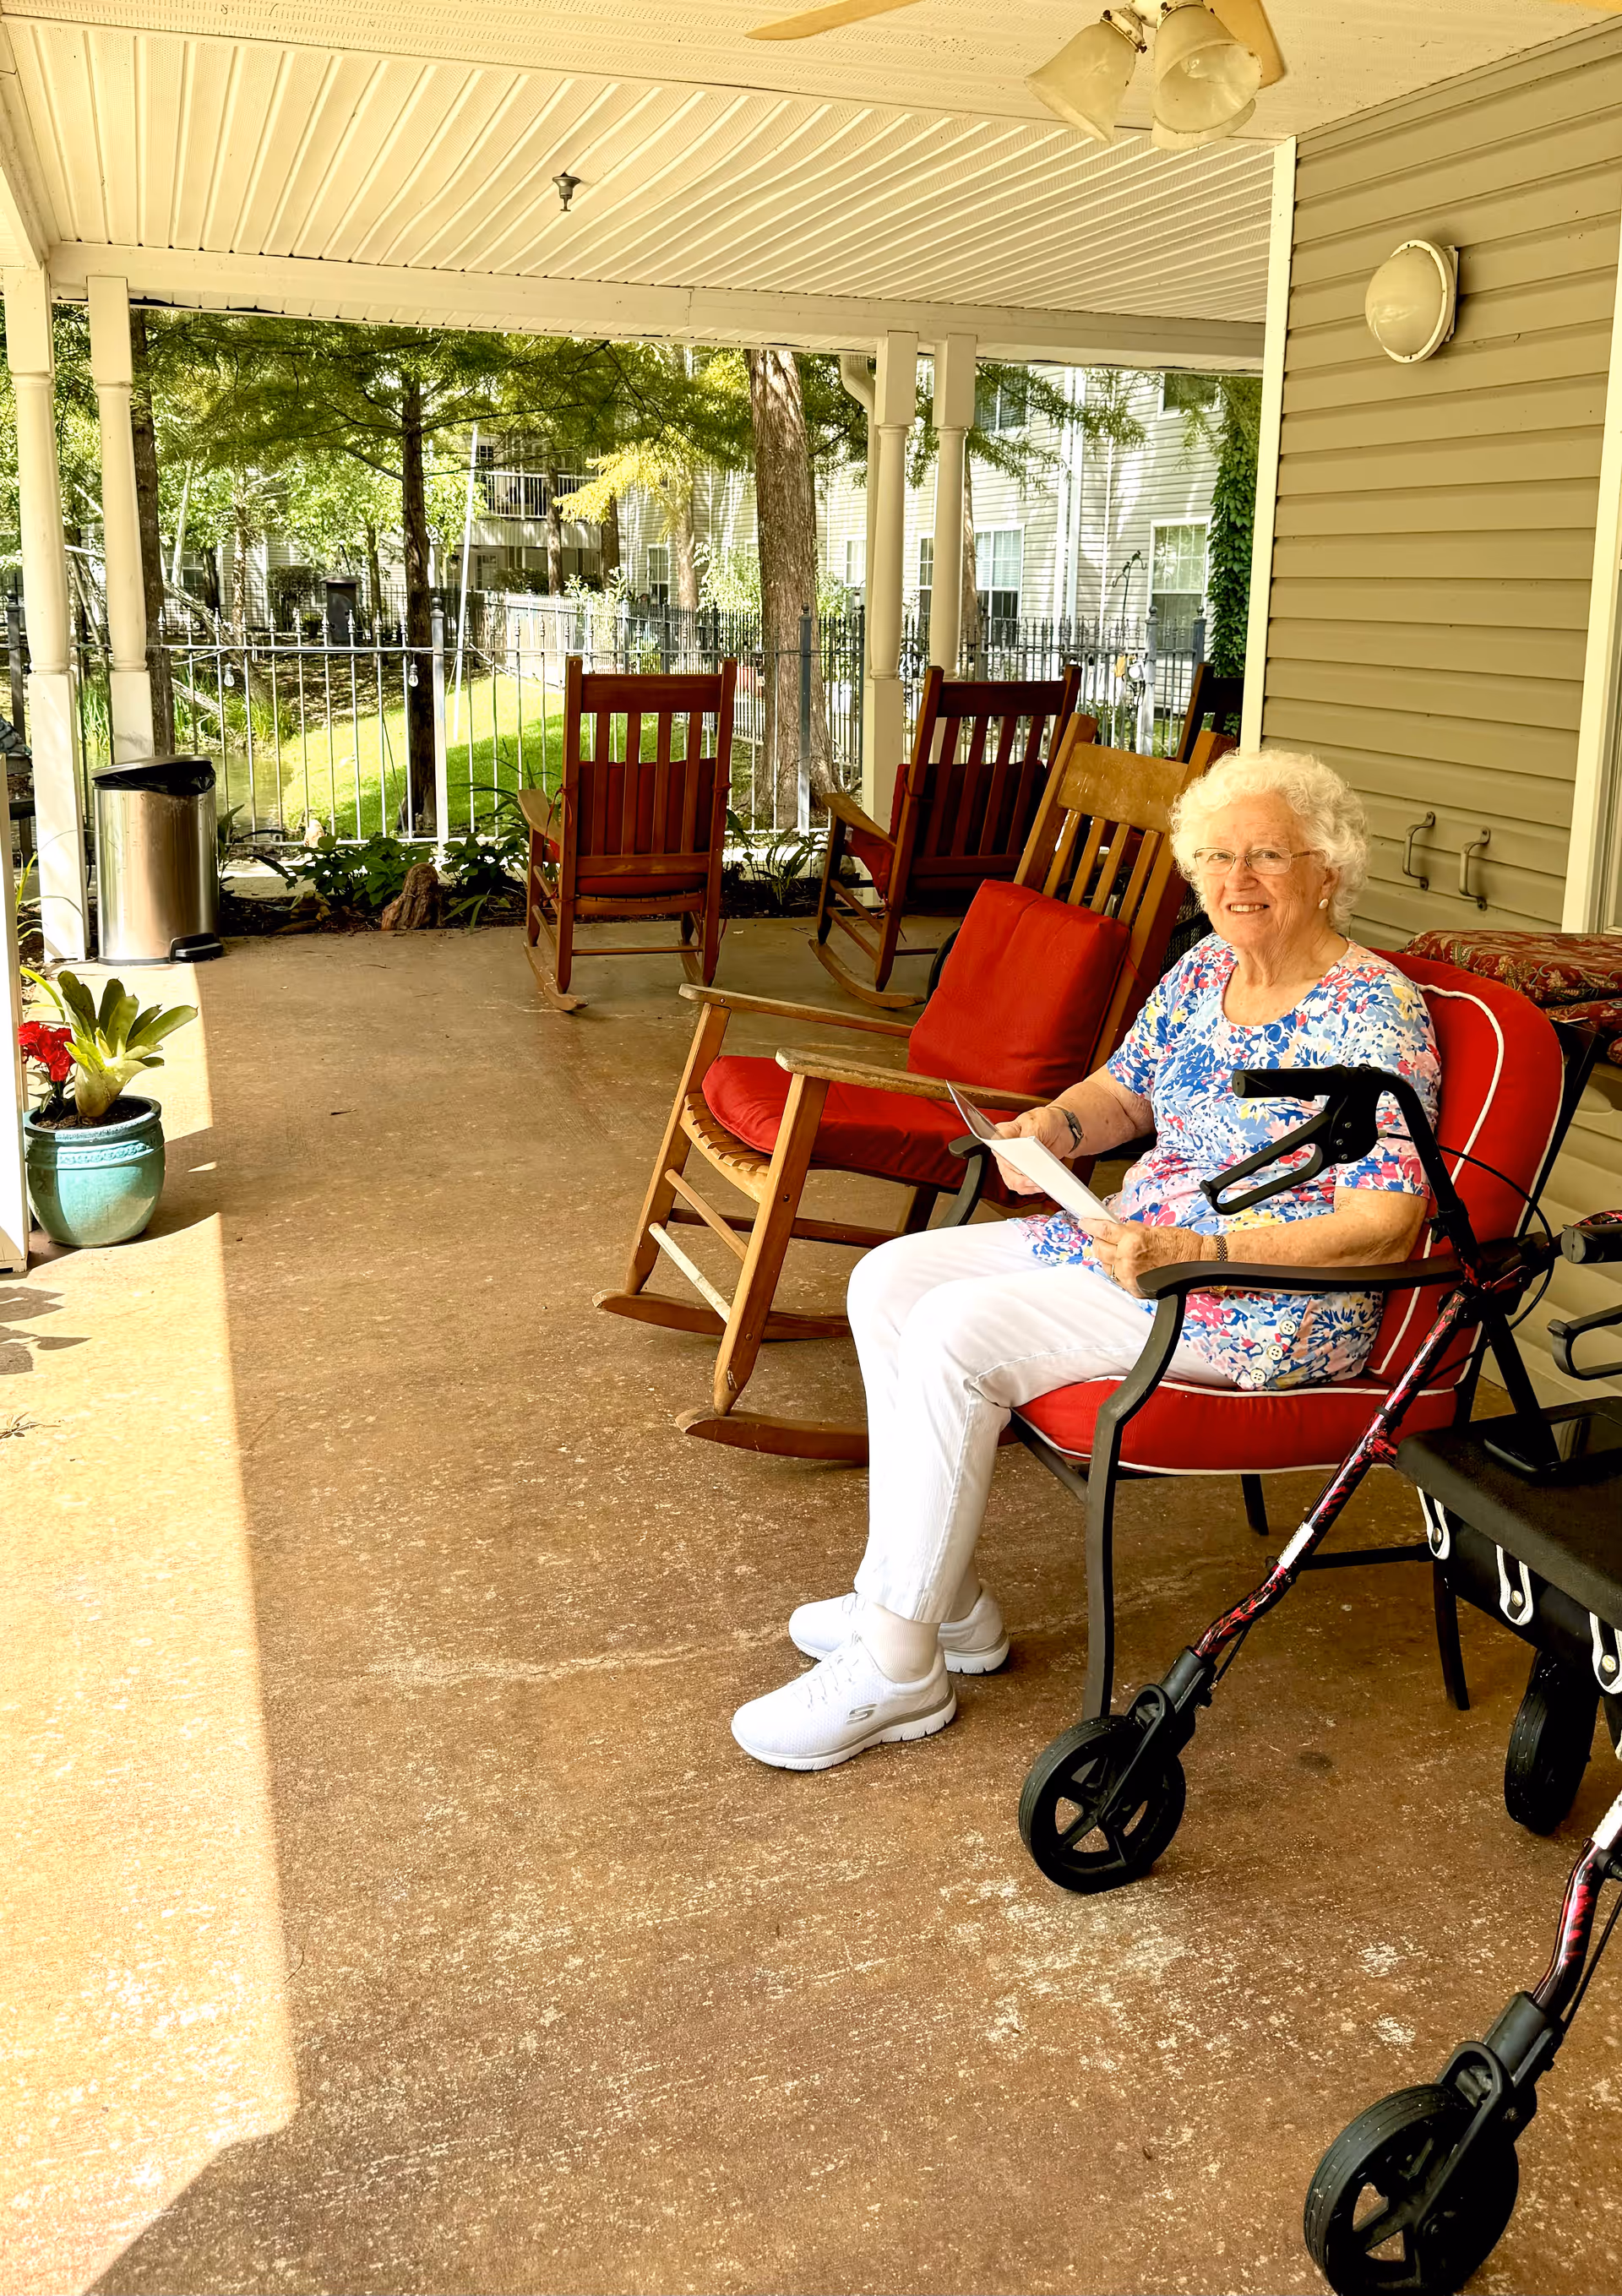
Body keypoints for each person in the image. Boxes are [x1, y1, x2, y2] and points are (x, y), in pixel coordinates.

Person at [732, 748, 1440, 1771]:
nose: (1237, 879)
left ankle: (898, 1664)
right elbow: (1126, 1089)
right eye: (1217, 856)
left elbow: (1389, 1220)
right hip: (1130, 1245)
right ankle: (952, 1605)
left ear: (1330, 868)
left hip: (1255, 1299)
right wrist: (1057, 1129)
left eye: (1269, 855)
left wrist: (1201, 1248)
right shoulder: (1206, 969)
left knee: (956, 1333)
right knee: (888, 1278)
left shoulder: (1373, 1011)